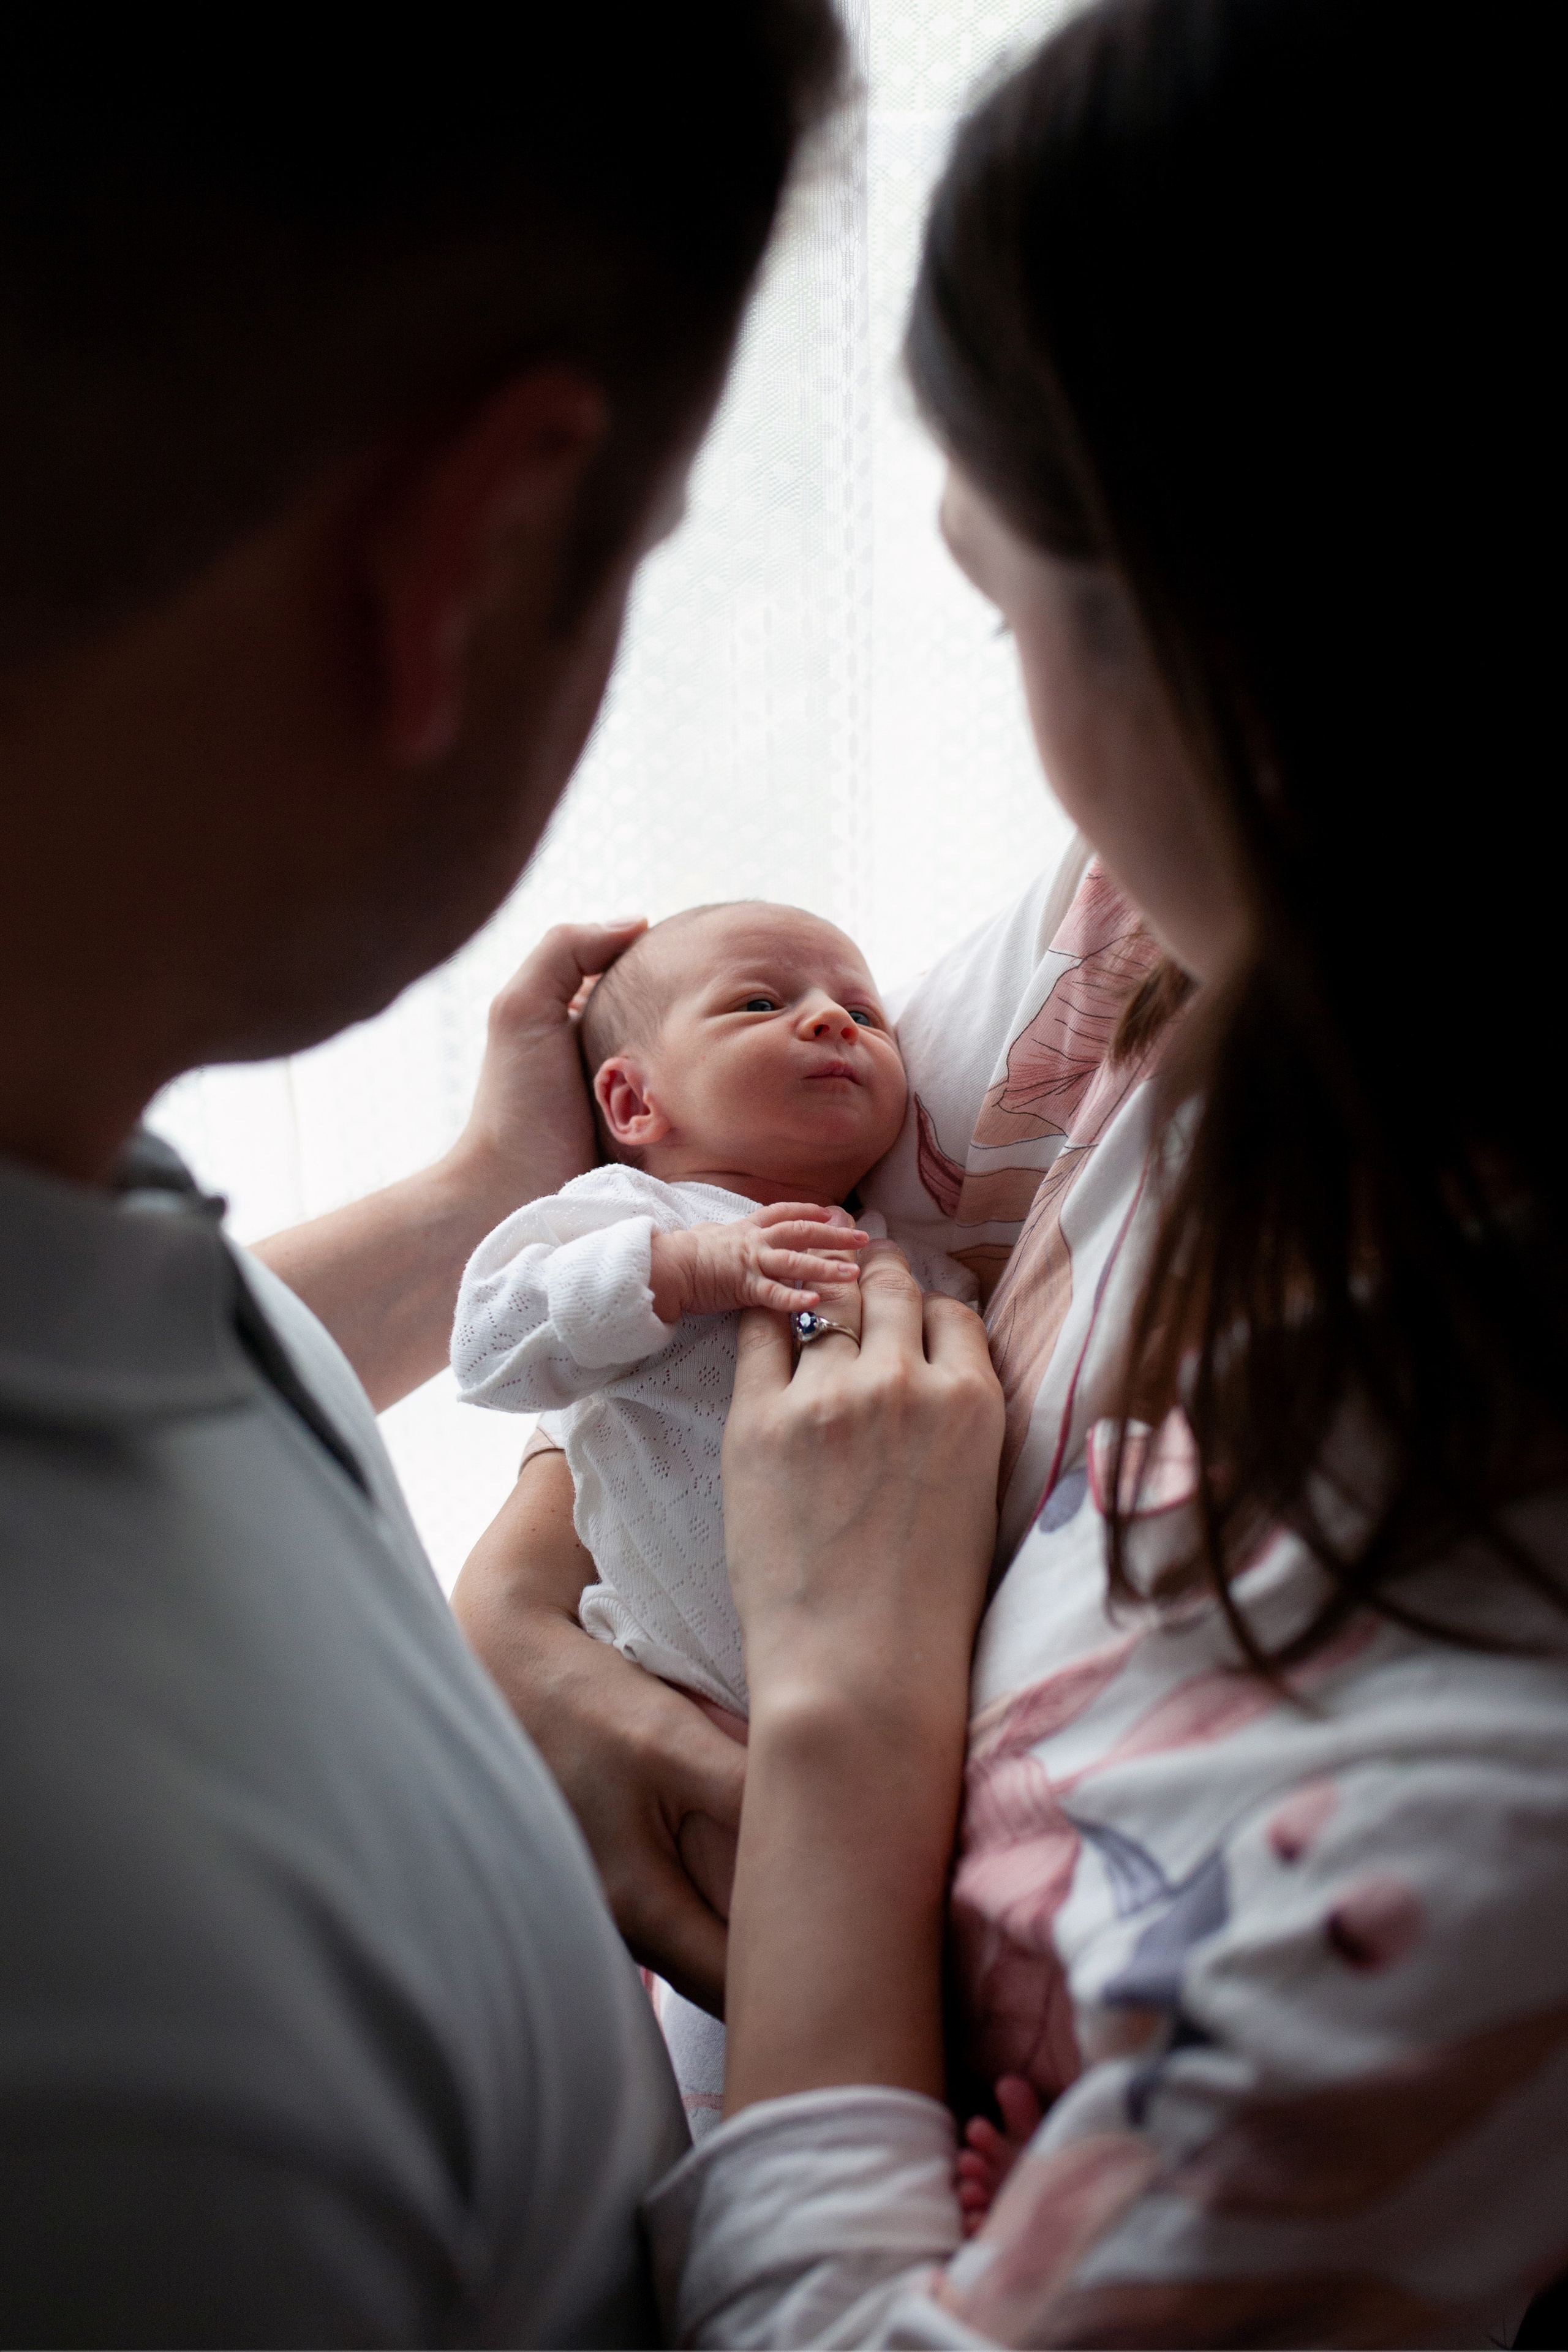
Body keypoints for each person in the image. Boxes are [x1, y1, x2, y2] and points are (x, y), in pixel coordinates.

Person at [454, 1, 1567, 2343]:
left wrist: (852, 1708)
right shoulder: (1170, 955)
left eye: (1011, 609)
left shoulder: (1461, 1850)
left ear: (1261, 667)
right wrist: (533, 1632)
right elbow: (729, 1279)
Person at [0, 10, 845, 2343]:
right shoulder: (138, 2096)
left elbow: (183, 1344)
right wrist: (855, 1795)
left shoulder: (79, 1170)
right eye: (644, 555)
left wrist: (505, 1201)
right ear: (460, 554)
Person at [451, 902, 974, 1721]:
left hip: (880, 1690)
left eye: (867, 1015)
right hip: (658, 1675)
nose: (834, 1019)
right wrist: (684, 1271)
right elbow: (486, 1346)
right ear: (633, 1102)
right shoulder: (630, 1216)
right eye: (761, 1004)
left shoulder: (909, 1263)